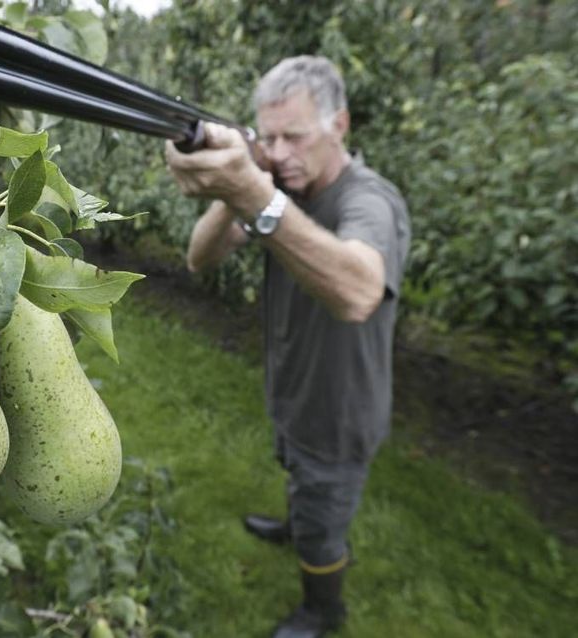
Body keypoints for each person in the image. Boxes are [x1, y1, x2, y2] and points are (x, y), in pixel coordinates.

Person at [164, 56, 411, 638]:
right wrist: (237, 190)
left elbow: (357, 291)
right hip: (294, 390)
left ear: (339, 125)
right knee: (302, 484)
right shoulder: (281, 188)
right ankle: (295, 523)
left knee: (325, 518)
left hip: (339, 413)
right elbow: (200, 259)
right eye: (267, 138)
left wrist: (258, 195)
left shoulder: (368, 201)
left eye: (294, 136)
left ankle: (322, 610)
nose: (278, 153)